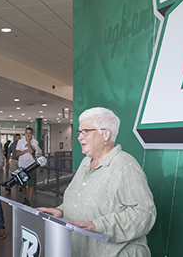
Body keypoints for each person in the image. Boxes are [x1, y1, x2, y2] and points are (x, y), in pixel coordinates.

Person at [36, 107, 156, 257]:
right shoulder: (86, 163)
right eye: (79, 132)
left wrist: (99, 225)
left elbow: (144, 214)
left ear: (106, 134)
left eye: (86, 131)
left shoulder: (125, 165)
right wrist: (61, 210)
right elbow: (79, 200)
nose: (79, 137)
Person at [16, 128, 39, 206]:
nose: (28, 134)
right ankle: (25, 197)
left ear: (32, 134)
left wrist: (28, 141)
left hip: (31, 165)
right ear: (24, 134)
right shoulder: (20, 141)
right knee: (23, 184)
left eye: (29, 133)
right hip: (22, 165)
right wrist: (26, 151)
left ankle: (29, 200)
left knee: (31, 184)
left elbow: (32, 151)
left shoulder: (35, 142)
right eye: (26, 133)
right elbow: (17, 153)